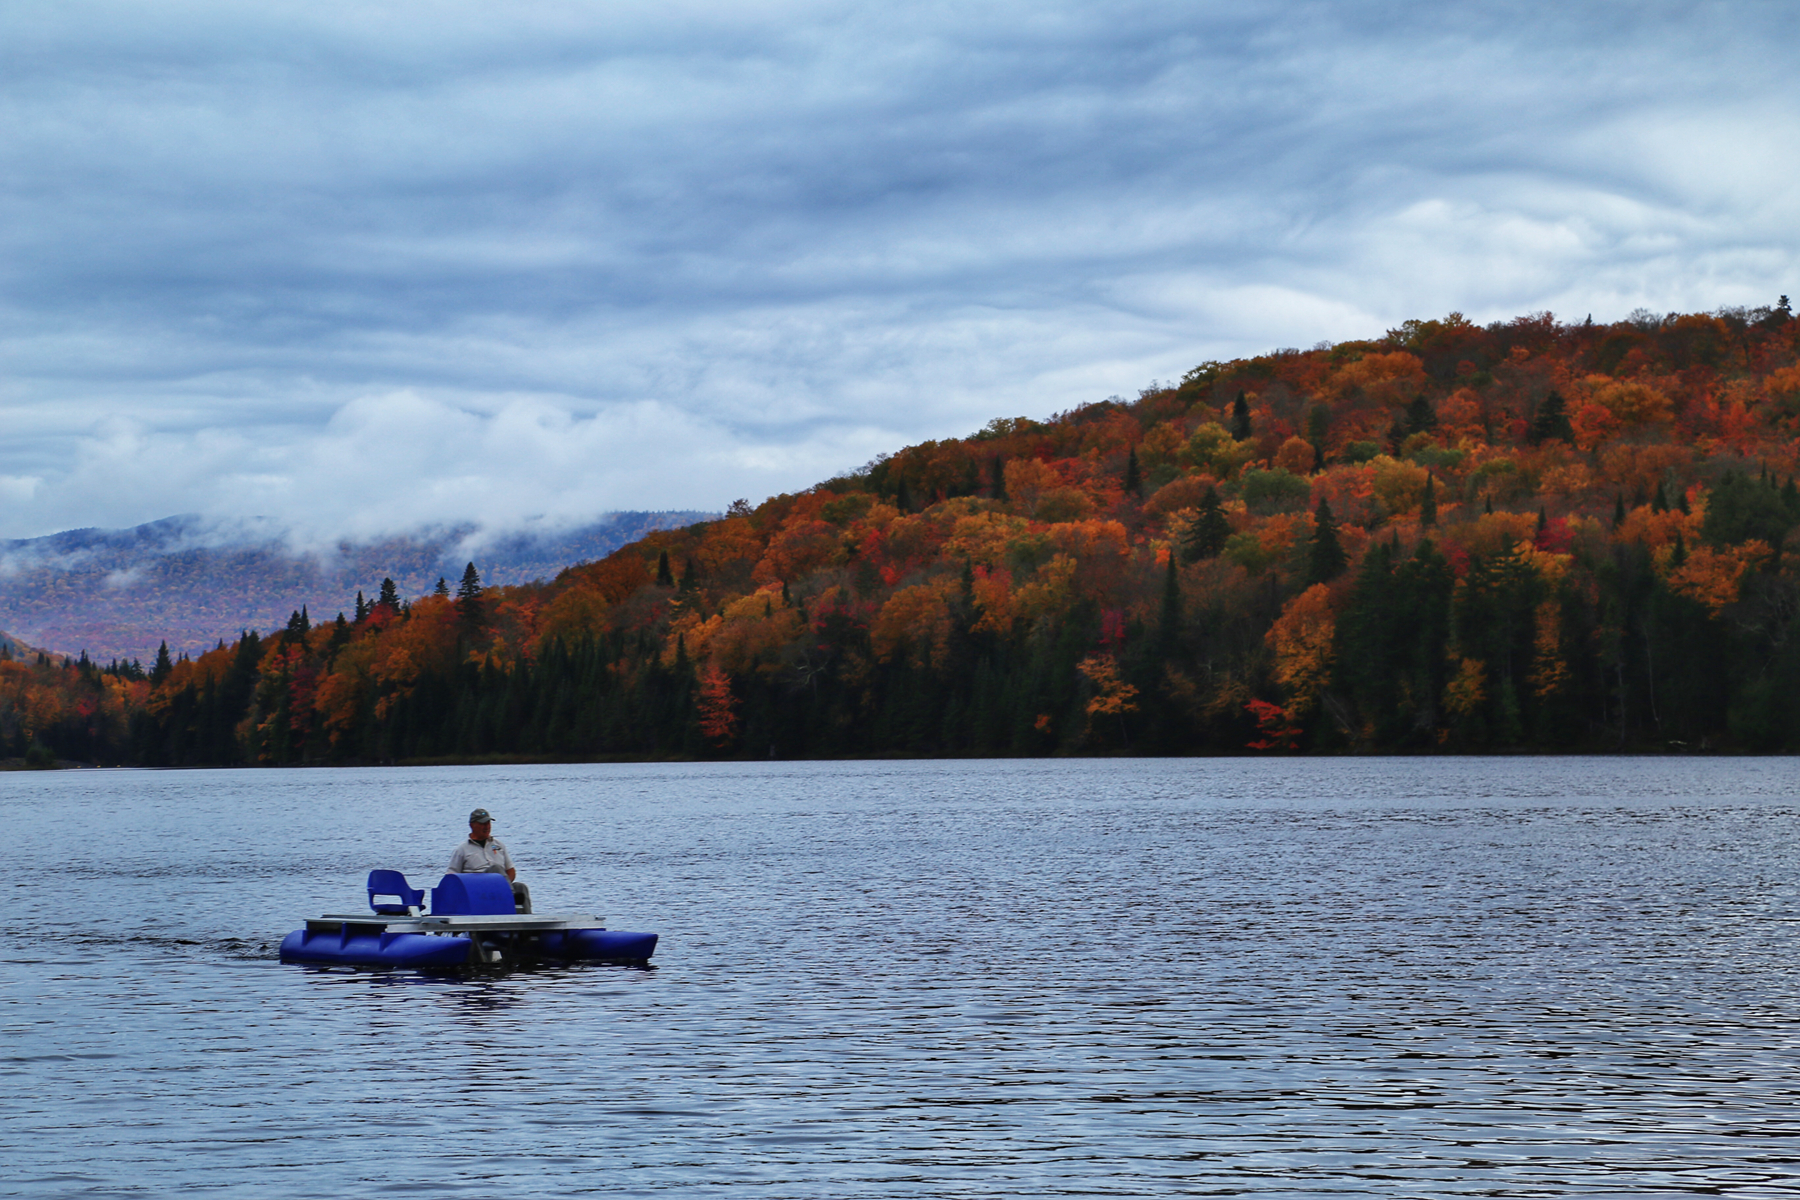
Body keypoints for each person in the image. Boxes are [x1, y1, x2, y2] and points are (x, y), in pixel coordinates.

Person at [447, 807, 531, 913]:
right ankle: (510, 895)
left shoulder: (499, 845)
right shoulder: (462, 850)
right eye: (482, 824)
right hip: (477, 889)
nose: (486, 827)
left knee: (521, 887)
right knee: (496, 869)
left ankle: (527, 923)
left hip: (499, 887)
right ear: (472, 825)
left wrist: (502, 884)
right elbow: (451, 877)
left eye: (488, 823)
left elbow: (510, 870)